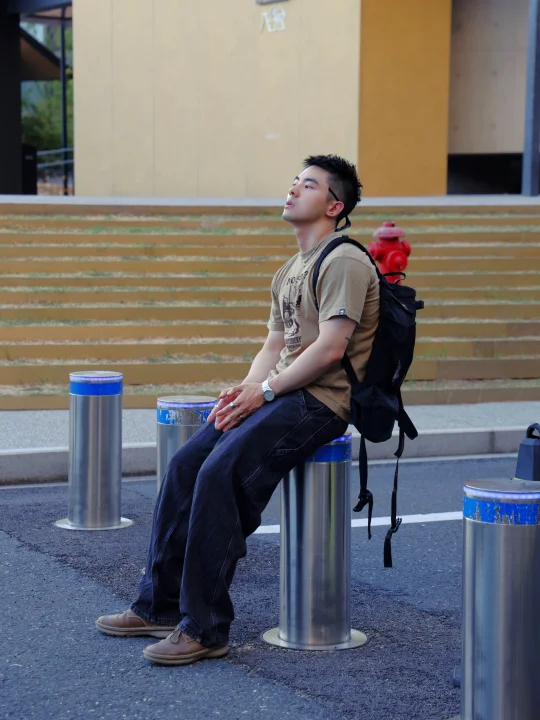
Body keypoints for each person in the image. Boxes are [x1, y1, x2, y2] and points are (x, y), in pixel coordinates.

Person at [96, 154, 380, 666]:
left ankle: (204, 628)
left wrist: (264, 393)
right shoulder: (290, 268)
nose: (293, 189)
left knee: (220, 475)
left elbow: (330, 348)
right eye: (294, 181)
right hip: (282, 392)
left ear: (334, 206)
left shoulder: (345, 261)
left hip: (321, 400)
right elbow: (275, 345)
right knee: (186, 466)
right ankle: (159, 605)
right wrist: (245, 391)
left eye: (308, 185)